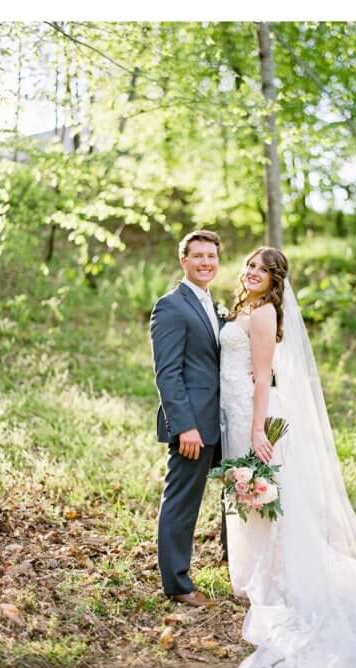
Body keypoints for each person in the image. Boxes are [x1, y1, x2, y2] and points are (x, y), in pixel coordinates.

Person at [219, 246, 356, 668]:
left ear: (277, 280)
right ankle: (257, 571)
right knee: (250, 495)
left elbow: (261, 376)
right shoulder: (249, 306)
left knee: (262, 495)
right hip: (236, 411)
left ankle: (273, 578)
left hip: (253, 415)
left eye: (265, 269)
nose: (254, 271)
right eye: (252, 265)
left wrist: (258, 430)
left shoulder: (262, 314)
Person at [149, 230, 225, 608]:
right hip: (193, 425)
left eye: (211, 256)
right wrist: (184, 426)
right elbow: (167, 373)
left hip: (223, 421)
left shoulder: (214, 304)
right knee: (181, 502)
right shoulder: (171, 306)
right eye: (198, 256)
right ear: (184, 260)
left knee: (240, 494)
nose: (205, 262)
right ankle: (177, 584)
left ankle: (236, 566)